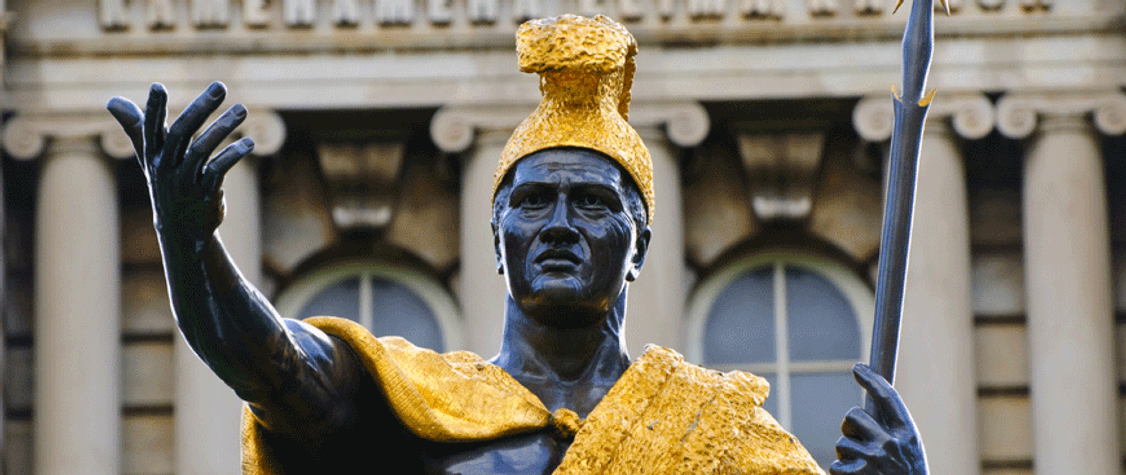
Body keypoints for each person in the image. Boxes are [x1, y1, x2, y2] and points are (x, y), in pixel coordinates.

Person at [108, 14, 928, 475]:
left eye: (593, 202)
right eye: (533, 200)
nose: (561, 221)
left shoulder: (722, 440)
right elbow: (268, 364)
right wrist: (191, 242)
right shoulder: (416, 404)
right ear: (496, 240)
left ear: (638, 243)